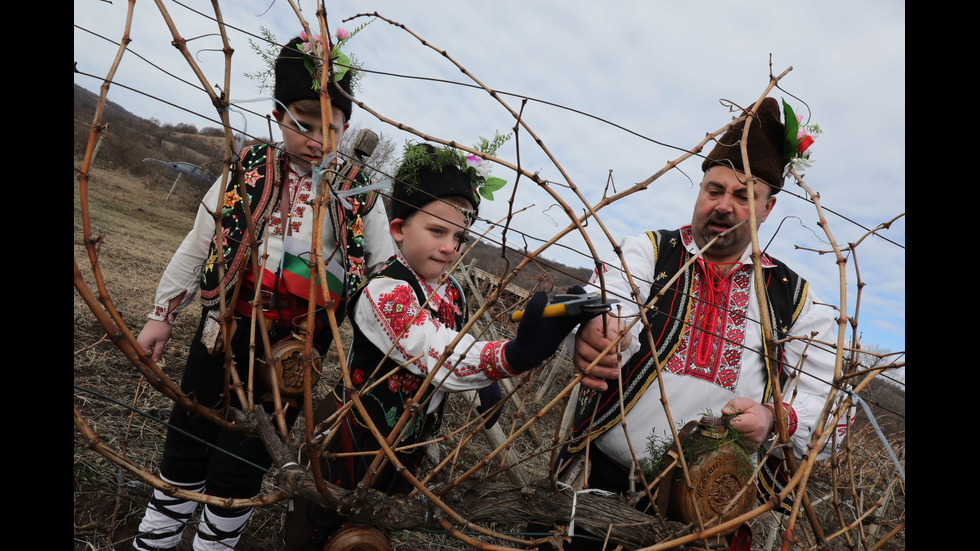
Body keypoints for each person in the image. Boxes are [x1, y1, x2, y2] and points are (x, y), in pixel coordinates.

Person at [132, 32, 395, 551]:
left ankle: (215, 544)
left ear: (347, 128)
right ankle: (155, 540)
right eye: (305, 125)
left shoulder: (358, 193)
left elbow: (384, 270)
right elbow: (200, 239)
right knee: (188, 436)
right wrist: (163, 314)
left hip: (296, 348)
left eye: (333, 129)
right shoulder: (248, 167)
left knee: (250, 454)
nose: (319, 140)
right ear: (278, 115)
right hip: (224, 329)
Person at [553, 97, 851, 547]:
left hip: (710, 511)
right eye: (714, 190)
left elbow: (831, 411)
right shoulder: (647, 253)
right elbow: (615, 299)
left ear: (767, 209)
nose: (724, 205)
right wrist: (600, 332)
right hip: (603, 487)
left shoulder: (797, 302)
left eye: (742, 195)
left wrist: (773, 417)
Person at [284, 142, 598, 550]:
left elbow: (456, 337)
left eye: (460, 236)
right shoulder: (385, 291)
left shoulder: (451, 292)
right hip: (356, 438)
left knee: (375, 527)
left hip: (408, 443)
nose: (451, 246)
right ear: (398, 229)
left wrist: (485, 383)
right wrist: (513, 356)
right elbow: (435, 350)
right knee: (322, 527)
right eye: (437, 231)